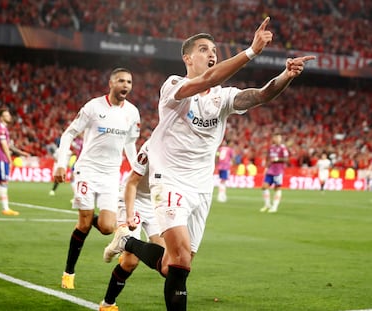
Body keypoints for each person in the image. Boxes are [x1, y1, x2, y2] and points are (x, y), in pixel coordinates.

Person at [103, 17, 315, 310]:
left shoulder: (223, 97)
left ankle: (127, 243)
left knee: (173, 266)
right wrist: (251, 52)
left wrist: (285, 76)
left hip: (201, 188)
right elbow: (206, 80)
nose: (211, 53)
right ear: (187, 57)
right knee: (179, 259)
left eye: (214, 49)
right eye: (204, 49)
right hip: (169, 180)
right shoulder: (173, 86)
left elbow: (261, 94)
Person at [54, 67, 140, 290]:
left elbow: (130, 144)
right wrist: (61, 163)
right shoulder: (93, 107)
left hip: (111, 175)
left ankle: (88, 212)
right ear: (111, 83)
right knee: (83, 224)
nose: (125, 86)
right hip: (87, 170)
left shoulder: (132, 113)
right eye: (121, 81)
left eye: (129, 82)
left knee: (107, 227)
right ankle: (68, 273)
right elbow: (69, 133)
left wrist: (138, 170)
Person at [100, 140, 165, 311]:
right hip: (133, 199)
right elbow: (132, 183)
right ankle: (107, 304)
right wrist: (129, 215)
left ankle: (122, 243)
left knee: (165, 260)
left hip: (155, 203)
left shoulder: (186, 151)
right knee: (131, 261)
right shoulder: (152, 148)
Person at [260, 132, 289, 213]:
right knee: (264, 187)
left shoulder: (283, 148)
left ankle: (274, 206)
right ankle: (267, 204)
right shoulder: (271, 148)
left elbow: (286, 159)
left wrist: (277, 159)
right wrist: (266, 167)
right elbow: (268, 158)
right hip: (270, 170)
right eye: (275, 137)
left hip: (278, 171)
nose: (277, 139)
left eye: (279, 138)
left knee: (277, 188)